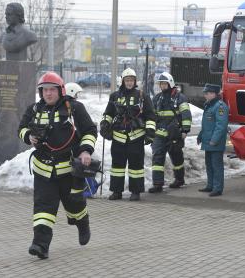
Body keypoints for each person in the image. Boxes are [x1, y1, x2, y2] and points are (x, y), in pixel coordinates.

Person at [18, 72, 97, 259]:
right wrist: (28, 136)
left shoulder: (74, 108)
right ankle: (40, 245)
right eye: (44, 90)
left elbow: (90, 131)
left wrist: (85, 151)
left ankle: (82, 222)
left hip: (69, 171)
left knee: (74, 206)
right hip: (43, 170)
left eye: (52, 90)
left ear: (60, 91)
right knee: (44, 208)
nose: (48, 94)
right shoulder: (34, 110)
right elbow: (20, 128)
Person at [100, 68, 156, 201]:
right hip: (118, 137)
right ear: (123, 81)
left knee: (136, 166)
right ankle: (116, 191)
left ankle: (135, 192)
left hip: (136, 137)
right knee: (117, 166)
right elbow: (108, 113)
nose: (129, 83)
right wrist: (104, 125)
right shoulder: (115, 96)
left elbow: (150, 115)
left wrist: (150, 133)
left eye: (131, 80)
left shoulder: (142, 96)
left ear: (135, 81)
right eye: (127, 80)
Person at [148, 72, 192, 193]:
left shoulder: (179, 97)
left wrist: (185, 130)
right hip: (160, 133)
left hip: (175, 133)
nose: (162, 86)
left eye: (164, 83)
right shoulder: (157, 98)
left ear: (170, 83)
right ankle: (157, 184)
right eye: (160, 84)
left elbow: (186, 115)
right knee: (157, 157)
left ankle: (179, 179)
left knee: (176, 156)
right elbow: (151, 115)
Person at [197, 83, 229, 197]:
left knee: (216, 165)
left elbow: (221, 126)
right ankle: (210, 185)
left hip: (215, 143)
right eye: (205, 93)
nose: (205, 95)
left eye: (207, 93)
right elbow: (207, 125)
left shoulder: (220, 106)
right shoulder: (209, 105)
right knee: (209, 164)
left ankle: (217, 188)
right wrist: (200, 135)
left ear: (214, 94)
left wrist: (214, 140)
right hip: (208, 141)